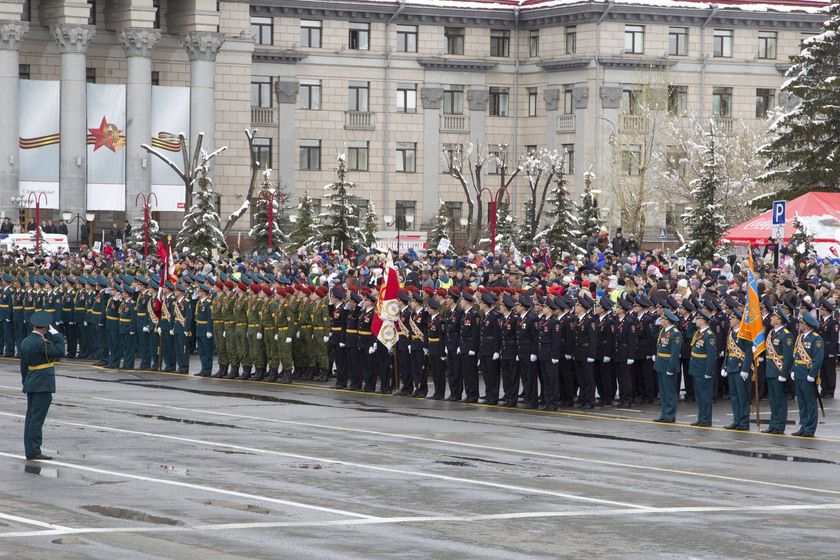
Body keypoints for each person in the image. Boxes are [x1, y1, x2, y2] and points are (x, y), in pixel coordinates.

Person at [20, 310, 65, 461]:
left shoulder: (26, 341)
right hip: (42, 383)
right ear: (46, 327)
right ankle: (34, 450)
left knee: (31, 418)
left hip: (31, 381)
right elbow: (60, 351)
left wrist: (26, 381)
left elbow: (23, 367)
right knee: (37, 419)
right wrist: (57, 335)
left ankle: (30, 449)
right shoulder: (41, 343)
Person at [791, 311, 824, 437]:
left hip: (808, 374)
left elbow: (818, 359)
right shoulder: (800, 338)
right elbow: (796, 356)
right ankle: (803, 426)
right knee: (802, 402)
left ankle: (810, 428)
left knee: (810, 402)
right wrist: (793, 370)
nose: (799, 325)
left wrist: (812, 374)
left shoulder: (816, 339)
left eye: (801, 323)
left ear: (806, 325)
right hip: (799, 373)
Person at [653, 309, 682, 423]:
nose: (662, 320)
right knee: (663, 391)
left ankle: (670, 415)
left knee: (670, 392)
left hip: (668, 365)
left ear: (668, 321)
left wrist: (671, 368)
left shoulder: (675, 333)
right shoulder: (663, 331)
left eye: (664, 319)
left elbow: (675, 353)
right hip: (661, 363)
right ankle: (664, 413)